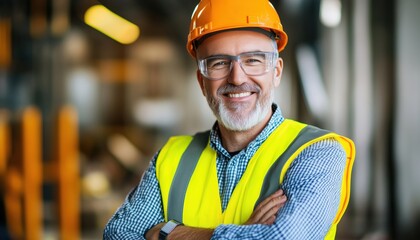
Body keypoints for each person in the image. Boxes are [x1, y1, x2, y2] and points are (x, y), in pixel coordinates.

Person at [103, 0, 356, 239]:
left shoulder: (318, 152)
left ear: (276, 72)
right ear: (202, 82)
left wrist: (172, 233)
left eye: (253, 60)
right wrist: (245, 233)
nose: (236, 78)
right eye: (219, 63)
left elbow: (283, 237)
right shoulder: (171, 157)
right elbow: (118, 233)